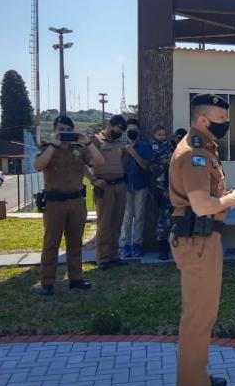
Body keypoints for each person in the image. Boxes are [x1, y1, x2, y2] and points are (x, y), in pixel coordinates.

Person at [169, 94, 235, 386]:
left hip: (203, 240)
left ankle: (196, 375)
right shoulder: (195, 153)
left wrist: (220, 198)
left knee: (202, 315)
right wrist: (230, 200)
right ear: (202, 120)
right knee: (198, 318)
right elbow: (201, 205)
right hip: (197, 242)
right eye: (220, 118)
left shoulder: (204, 149)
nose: (225, 123)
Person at [33, 115, 104, 295]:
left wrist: (87, 142)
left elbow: (99, 161)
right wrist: (53, 145)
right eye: (61, 130)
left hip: (76, 202)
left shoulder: (78, 150)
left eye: (67, 130)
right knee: (51, 243)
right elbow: (38, 166)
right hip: (54, 203)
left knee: (75, 243)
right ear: (54, 130)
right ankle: (47, 281)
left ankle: (76, 278)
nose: (64, 133)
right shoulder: (47, 149)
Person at [88, 115, 129, 270]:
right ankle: (102, 257)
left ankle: (114, 255)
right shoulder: (96, 141)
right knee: (104, 224)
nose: (118, 133)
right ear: (109, 125)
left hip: (119, 185)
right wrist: (93, 179)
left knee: (117, 223)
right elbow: (82, 163)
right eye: (117, 129)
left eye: (121, 131)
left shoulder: (119, 143)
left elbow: (122, 160)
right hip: (104, 187)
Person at [119, 118, 153, 259]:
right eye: (129, 130)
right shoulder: (121, 146)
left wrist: (133, 153)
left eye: (134, 130)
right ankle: (124, 245)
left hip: (141, 185)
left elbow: (145, 165)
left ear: (139, 131)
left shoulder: (145, 146)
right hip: (126, 186)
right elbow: (118, 167)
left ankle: (137, 244)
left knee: (139, 217)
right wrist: (125, 152)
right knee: (127, 217)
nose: (131, 132)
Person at [150, 125, 176, 260]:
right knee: (163, 221)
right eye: (159, 135)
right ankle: (162, 249)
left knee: (175, 219)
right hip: (161, 188)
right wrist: (166, 161)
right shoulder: (154, 147)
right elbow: (154, 165)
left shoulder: (169, 145)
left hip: (173, 188)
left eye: (163, 134)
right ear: (154, 135)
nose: (162, 137)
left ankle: (174, 247)